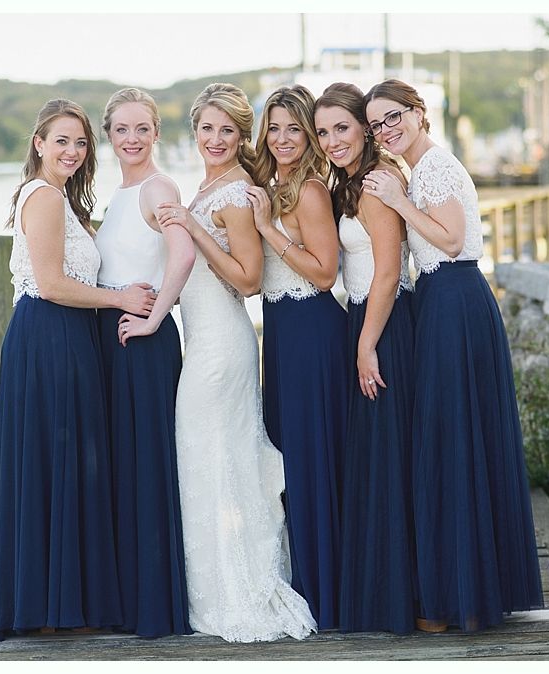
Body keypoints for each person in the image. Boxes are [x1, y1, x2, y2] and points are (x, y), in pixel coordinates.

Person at [361, 79, 544, 633]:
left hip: (456, 300)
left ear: (419, 114)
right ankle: (463, 588)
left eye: (393, 118)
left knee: (454, 439)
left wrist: (396, 201)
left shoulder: (434, 167)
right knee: (456, 437)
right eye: (376, 125)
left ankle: (456, 596)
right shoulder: (422, 169)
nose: (385, 131)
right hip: (447, 301)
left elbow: (448, 238)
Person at [0, 98, 157, 641]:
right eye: (61, 140)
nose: (73, 151)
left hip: (66, 338)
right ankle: (46, 606)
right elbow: (52, 283)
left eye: (81, 143)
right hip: (48, 337)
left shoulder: (58, 199)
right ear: (38, 143)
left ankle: (60, 602)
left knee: (67, 465)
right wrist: (118, 295)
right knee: (55, 461)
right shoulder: (43, 198)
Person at [155, 83, 316, 643]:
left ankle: (235, 592)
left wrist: (193, 227)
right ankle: (210, 590)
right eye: (207, 129)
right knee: (208, 458)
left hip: (223, 344)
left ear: (241, 136)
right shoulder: (209, 186)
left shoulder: (238, 193)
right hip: (200, 338)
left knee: (215, 456)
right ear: (194, 131)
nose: (217, 139)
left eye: (228, 130)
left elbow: (248, 279)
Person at [313, 82, 417, 635]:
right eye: (323, 131)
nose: (332, 140)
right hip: (365, 319)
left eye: (342, 128)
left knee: (388, 457)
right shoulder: (348, 183)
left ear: (365, 128)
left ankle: (402, 598)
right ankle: (382, 593)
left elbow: (387, 272)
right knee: (374, 459)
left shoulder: (378, 183)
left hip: (384, 325)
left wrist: (366, 344)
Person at [94, 87, 196, 638]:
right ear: (109, 136)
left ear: (157, 132)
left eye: (141, 129)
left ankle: (152, 606)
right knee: (123, 468)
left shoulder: (158, 186)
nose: (131, 139)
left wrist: (157, 316)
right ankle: (129, 598)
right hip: (117, 342)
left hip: (144, 343)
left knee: (147, 470)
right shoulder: (122, 191)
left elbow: (182, 252)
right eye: (120, 130)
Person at [246, 85, 348, 631]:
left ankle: (326, 593)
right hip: (280, 337)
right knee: (287, 459)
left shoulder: (309, 188)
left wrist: (265, 230)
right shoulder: (271, 184)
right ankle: (303, 580)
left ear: (309, 135)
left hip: (313, 332)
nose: (282, 139)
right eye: (275, 127)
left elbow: (325, 271)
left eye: (294, 129)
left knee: (311, 463)